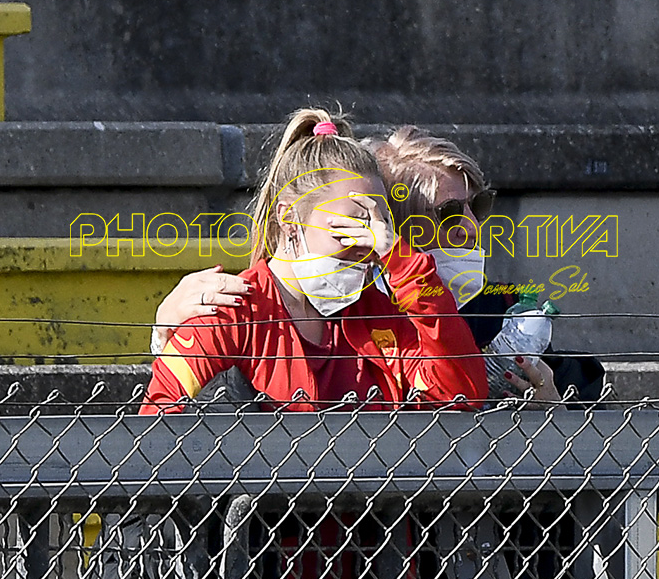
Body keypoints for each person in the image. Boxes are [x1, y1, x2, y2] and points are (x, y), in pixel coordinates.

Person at [142, 109, 487, 410]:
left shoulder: (375, 311)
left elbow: (462, 393)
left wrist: (400, 260)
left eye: (382, 223)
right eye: (354, 222)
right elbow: (161, 412)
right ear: (291, 218)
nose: (369, 241)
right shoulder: (235, 304)